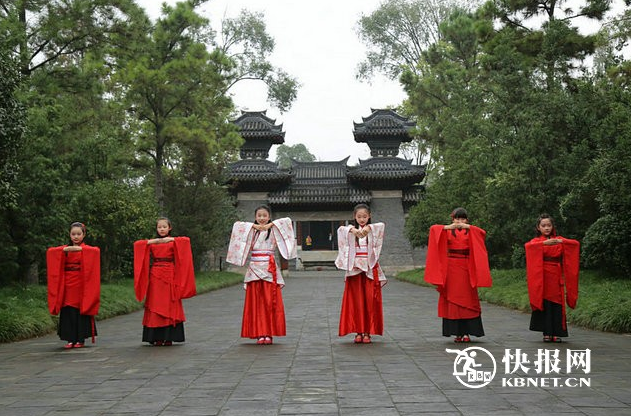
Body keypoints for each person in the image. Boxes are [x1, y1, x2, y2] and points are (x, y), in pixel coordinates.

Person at [226, 205, 297, 345]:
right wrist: (255, 227)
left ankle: (269, 333)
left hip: (269, 269)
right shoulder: (250, 230)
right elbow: (238, 226)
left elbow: (287, 222)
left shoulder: (274, 230)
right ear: (255, 217)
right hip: (254, 268)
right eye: (259, 216)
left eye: (265, 215)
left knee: (269, 302)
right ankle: (259, 332)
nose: (262, 218)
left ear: (269, 217)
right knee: (256, 303)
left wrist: (271, 225)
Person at [424, 208, 492, 343]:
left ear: (467, 220)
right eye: (457, 219)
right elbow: (433, 229)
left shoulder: (471, 231)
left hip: (466, 267)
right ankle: (457, 333)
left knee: (468, 300)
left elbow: (482, 233)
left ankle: (467, 332)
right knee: (453, 301)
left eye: (463, 219)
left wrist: (469, 227)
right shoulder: (447, 231)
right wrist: (447, 227)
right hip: (452, 268)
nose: (460, 222)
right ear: (452, 219)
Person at [134, 217, 196, 346]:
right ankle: (156, 337)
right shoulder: (153, 243)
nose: (162, 229)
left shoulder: (173, 242)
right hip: (155, 274)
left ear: (169, 228)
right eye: (159, 227)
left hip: (169, 274)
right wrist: (155, 241)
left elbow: (186, 241)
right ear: (156, 229)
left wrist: (171, 239)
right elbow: (138, 245)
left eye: (164, 227)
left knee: (169, 304)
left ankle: (168, 337)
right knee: (155, 304)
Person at [335, 203, 386, 344]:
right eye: (359, 217)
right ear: (354, 217)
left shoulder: (373, 230)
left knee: (370, 300)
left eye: (365, 216)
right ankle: (358, 331)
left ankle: (367, 332)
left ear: (369, 216)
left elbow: (381, 225)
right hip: (355, 270)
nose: (362, 219)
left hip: (369, 269)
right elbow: (340, 230)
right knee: (356, 302)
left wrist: (369, 228)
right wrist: (353, 230)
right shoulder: (350, 231)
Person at [525, 214, 580, 342]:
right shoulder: (537, 242)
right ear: (538, 228)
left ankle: (556, 332)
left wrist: (562, 241)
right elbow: (528, 247)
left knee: (557, 303)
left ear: (552, 226)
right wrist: (544, 243)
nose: (546, 228)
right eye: (543, 226)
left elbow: (575, 244)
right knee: (545, 303)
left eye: (549, 225)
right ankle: (546, 332)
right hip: (542, 276)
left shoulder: (559, 239)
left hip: (556, 274)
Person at [47, 222, 100, 349]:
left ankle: (80, 339)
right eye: (73, 234)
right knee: (67, 310)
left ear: (84, 235)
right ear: (69, 235)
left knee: (79, 310)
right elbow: (51, 252)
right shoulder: (64, 250)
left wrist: (79, 249)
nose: (76, 237)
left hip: (80, 283)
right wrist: (65, 249)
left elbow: (95, 251)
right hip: (67, 283)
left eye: (78, 234)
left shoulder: (87, 249)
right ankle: (70, 339)